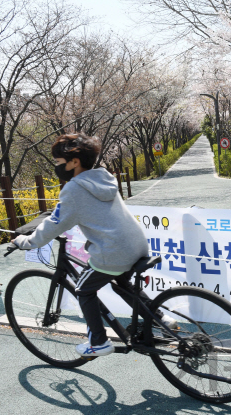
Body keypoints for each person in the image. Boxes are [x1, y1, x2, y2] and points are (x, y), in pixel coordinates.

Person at [13, 133, 156, 357]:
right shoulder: (103, 177)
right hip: (136, 244)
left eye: (60, 162)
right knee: (121, 282)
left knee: (83, 289)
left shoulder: (73, 189)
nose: (57, 167)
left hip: (113, 252)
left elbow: (54, 224)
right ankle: (159, 317)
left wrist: (27, 242)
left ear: (74, 162)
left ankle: (99, 342)